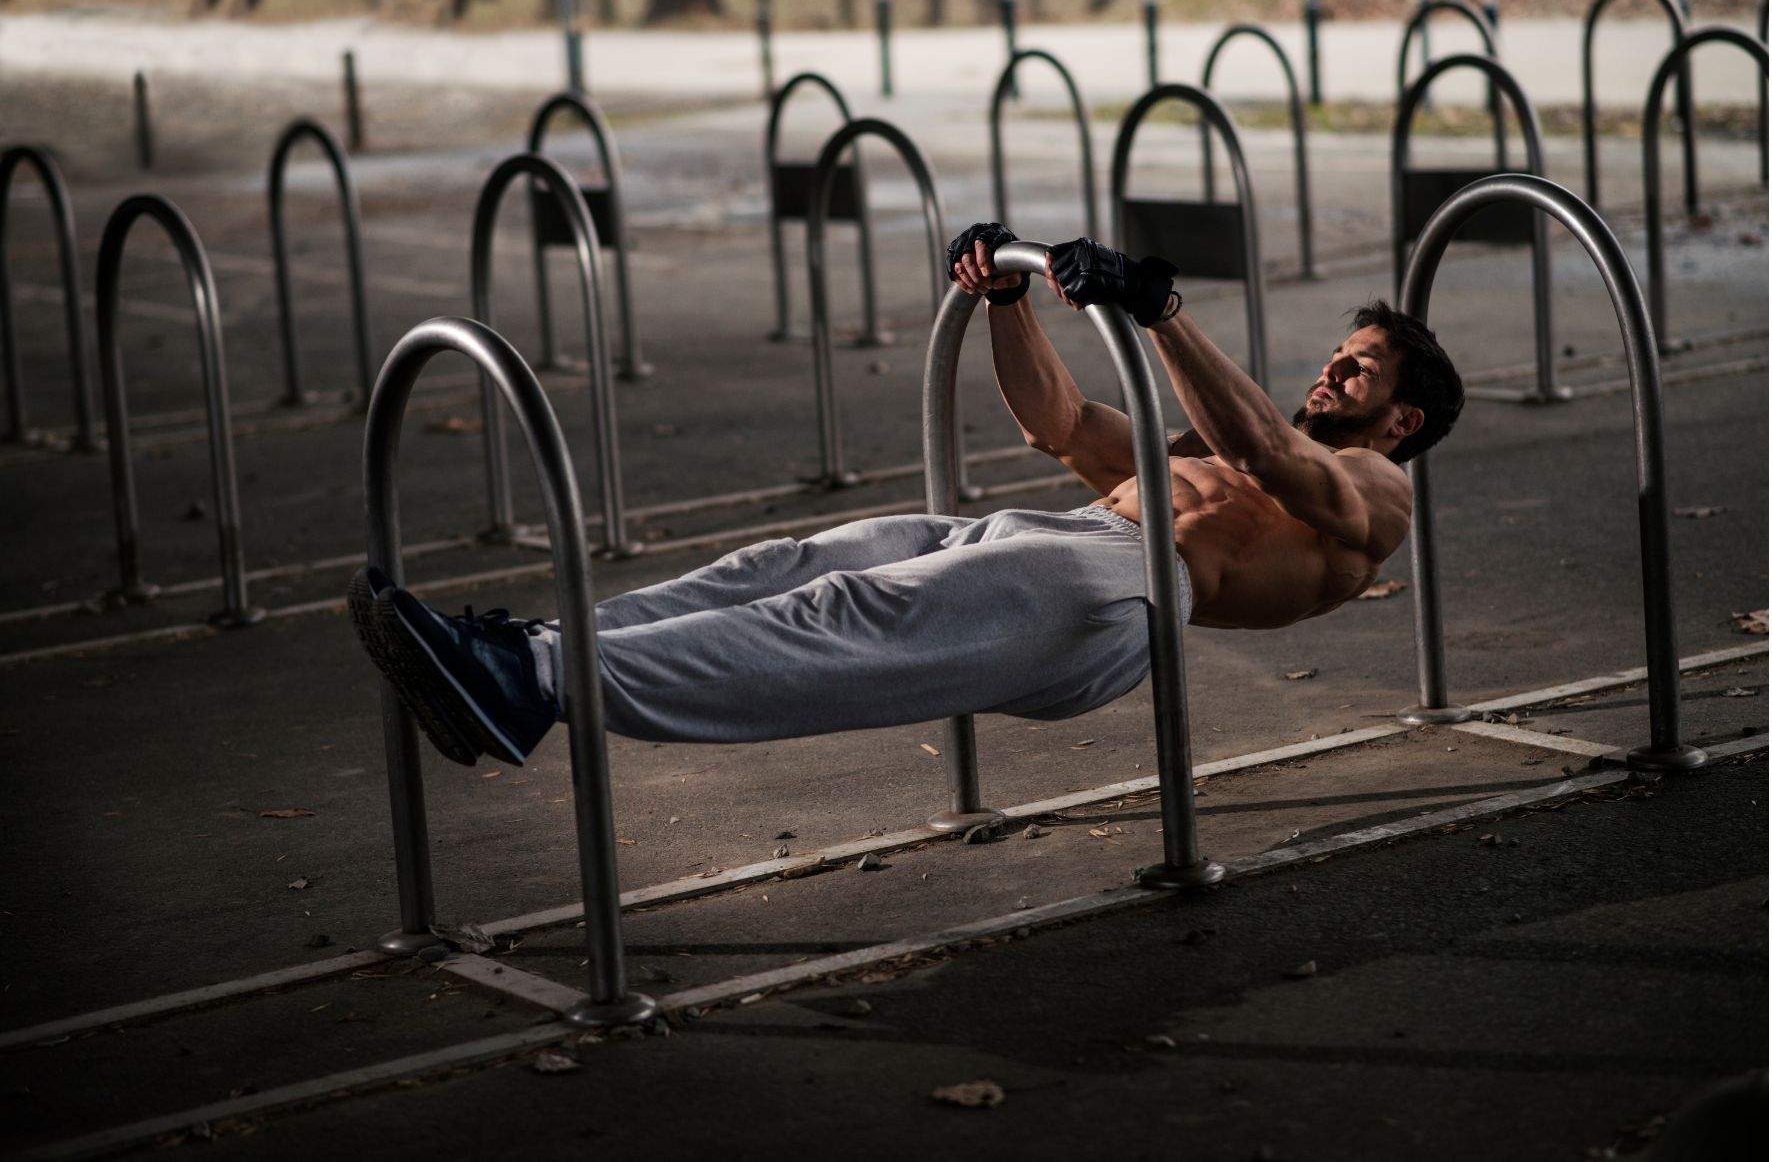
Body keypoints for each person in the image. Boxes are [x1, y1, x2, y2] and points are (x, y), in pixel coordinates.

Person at [348, 224, 1463, 768]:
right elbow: (1060, 425)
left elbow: (1271, 455)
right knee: (788, 566)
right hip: (1058, 538)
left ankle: (536, 680)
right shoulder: (1212, 440)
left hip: (1119, 594)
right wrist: (1002, 297)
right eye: (1339, 351)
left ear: (1401, 418)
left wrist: (1159, 311)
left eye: (1358, 367)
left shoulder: (1374, 494)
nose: (1333, 369)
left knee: (836, 623)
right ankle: (520, 651)